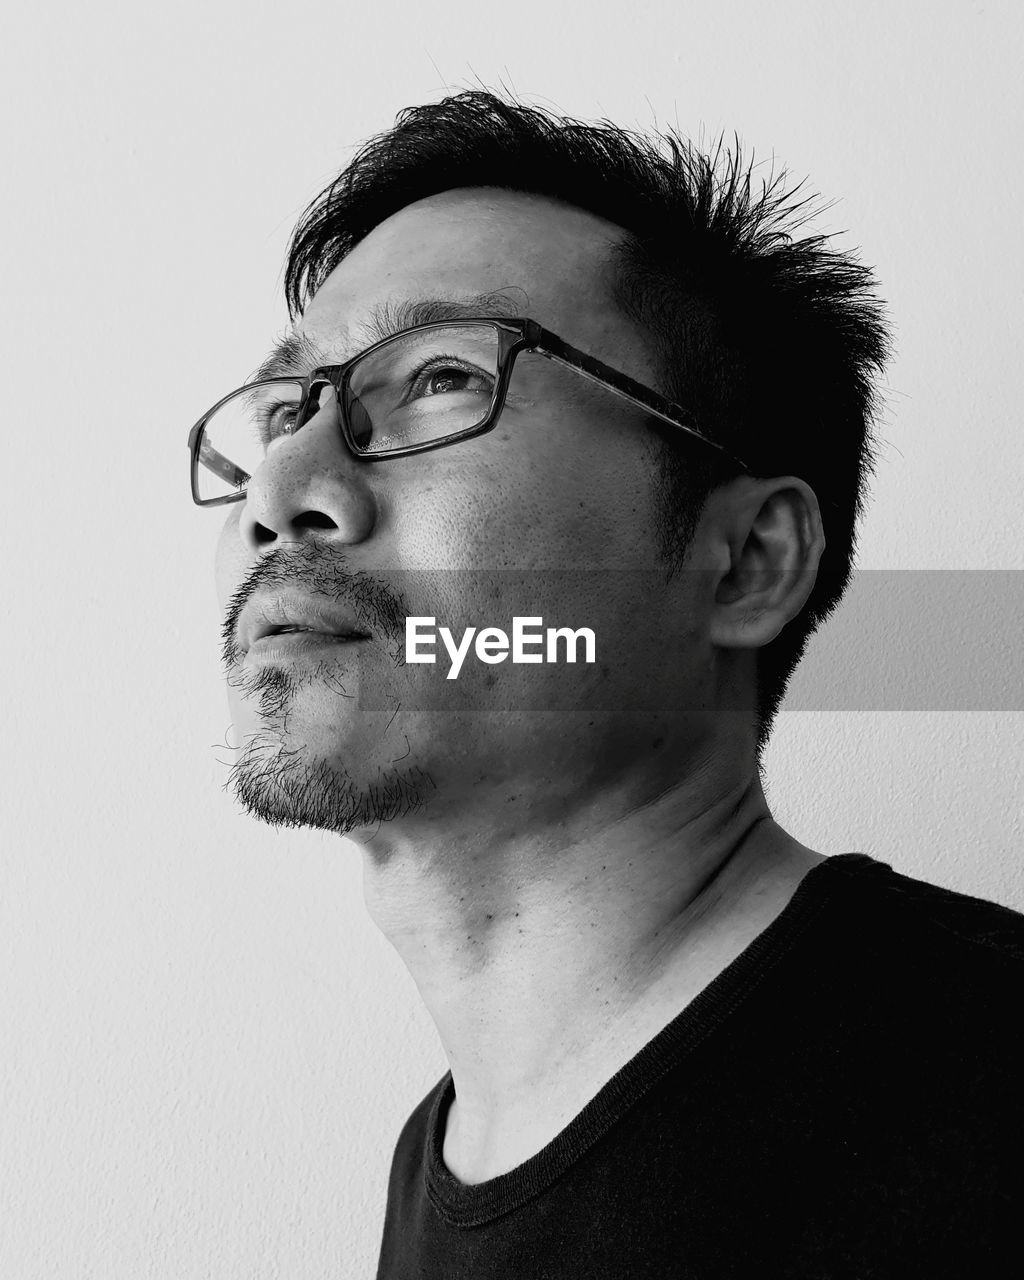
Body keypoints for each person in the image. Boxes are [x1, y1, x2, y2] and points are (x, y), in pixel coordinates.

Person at [189, 91, 1023, 1276]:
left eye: (435, 377)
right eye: (285, 409)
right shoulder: (436, 1166)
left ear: (744, 560)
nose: (284, 486)